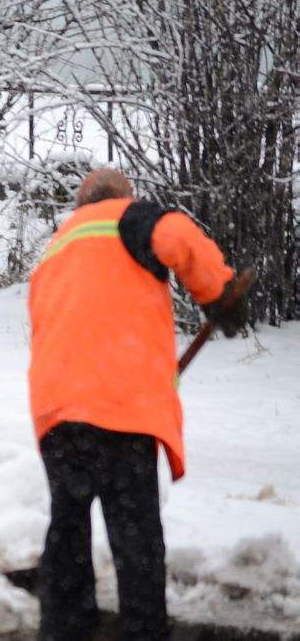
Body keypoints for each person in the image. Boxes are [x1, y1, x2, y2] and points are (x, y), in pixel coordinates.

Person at [26, 168, 248, 640]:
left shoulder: (57, 247)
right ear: (124, 197)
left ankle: (65, 626)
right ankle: (142, 629)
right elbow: (178, 235)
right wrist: (219, 292)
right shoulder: (130, 219)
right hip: (119, 406)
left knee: (68, 524)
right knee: (135, 533)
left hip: (58, 410)